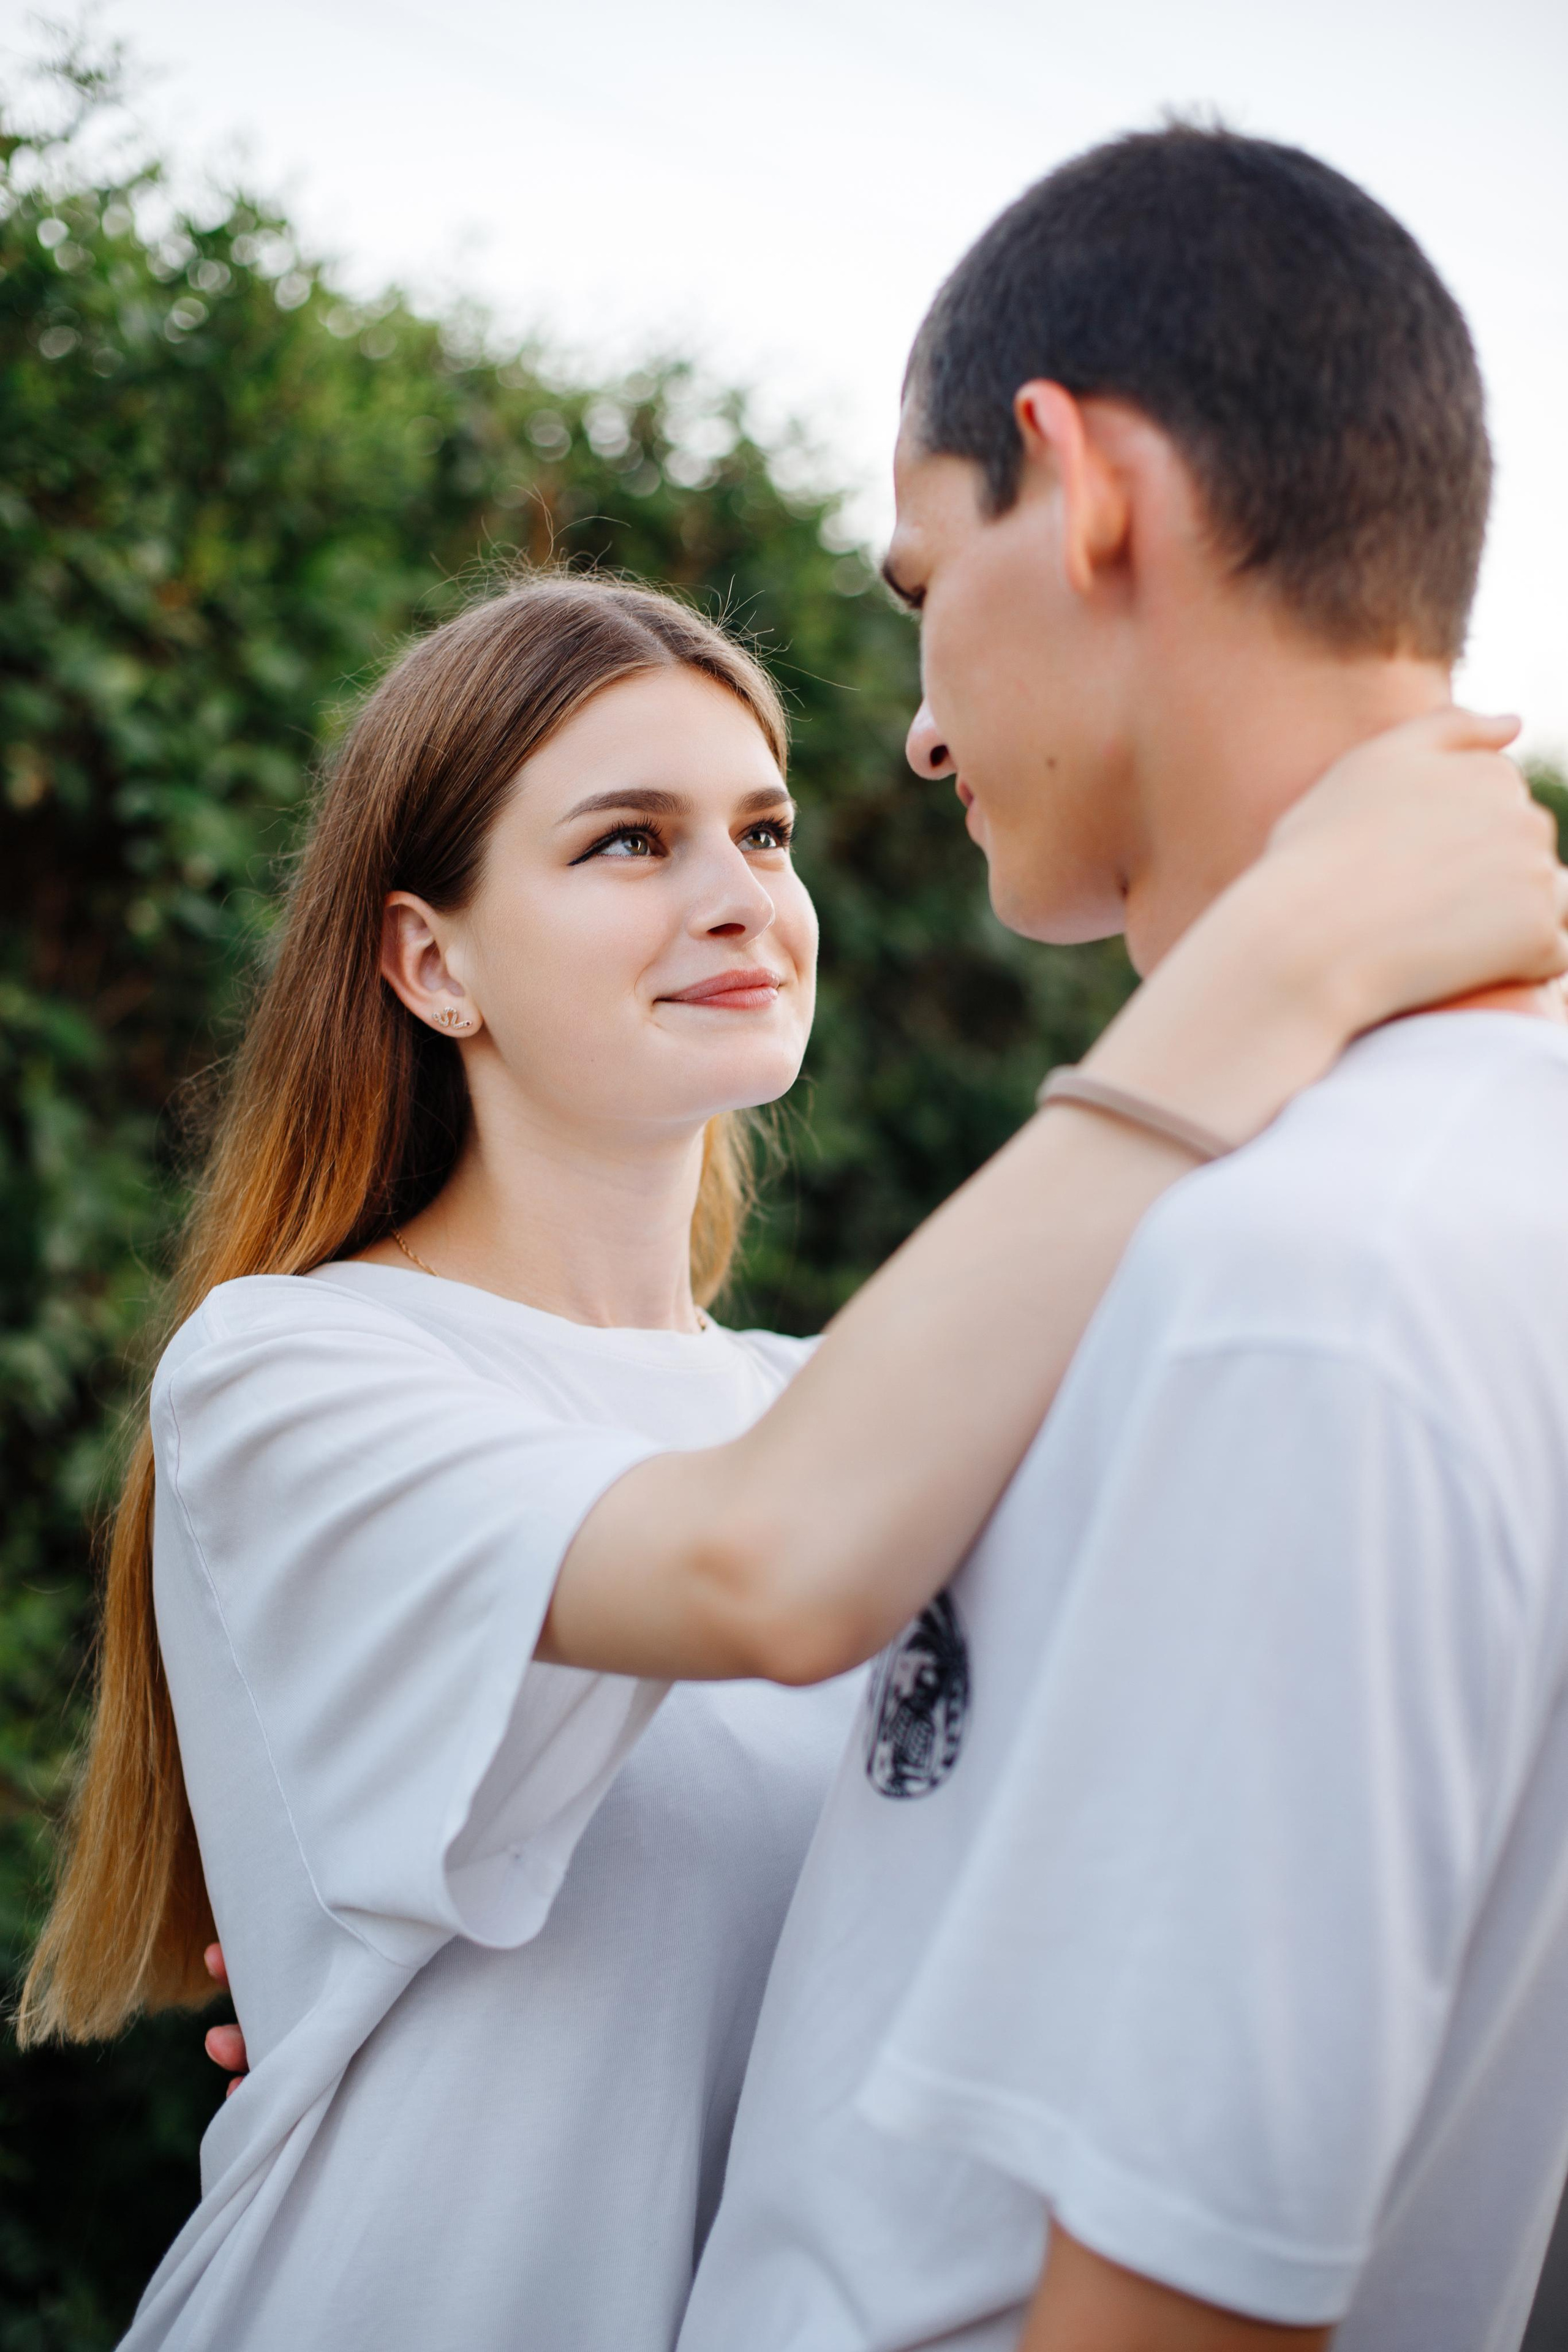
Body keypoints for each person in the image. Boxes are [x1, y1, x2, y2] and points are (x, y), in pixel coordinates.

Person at [17, 565, 1561, 2346]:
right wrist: (1283, 964)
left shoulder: (829, 1405)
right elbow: (766, 1569)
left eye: (763, 833)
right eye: (628, 842)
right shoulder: (290, 1374)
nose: (738, 898)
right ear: (430, 960)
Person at [669, 126, 1568, 2352]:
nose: (917, 720)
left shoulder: (1303, 1287)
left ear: (1077, 488)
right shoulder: (1449, 1191)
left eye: (914, 581)